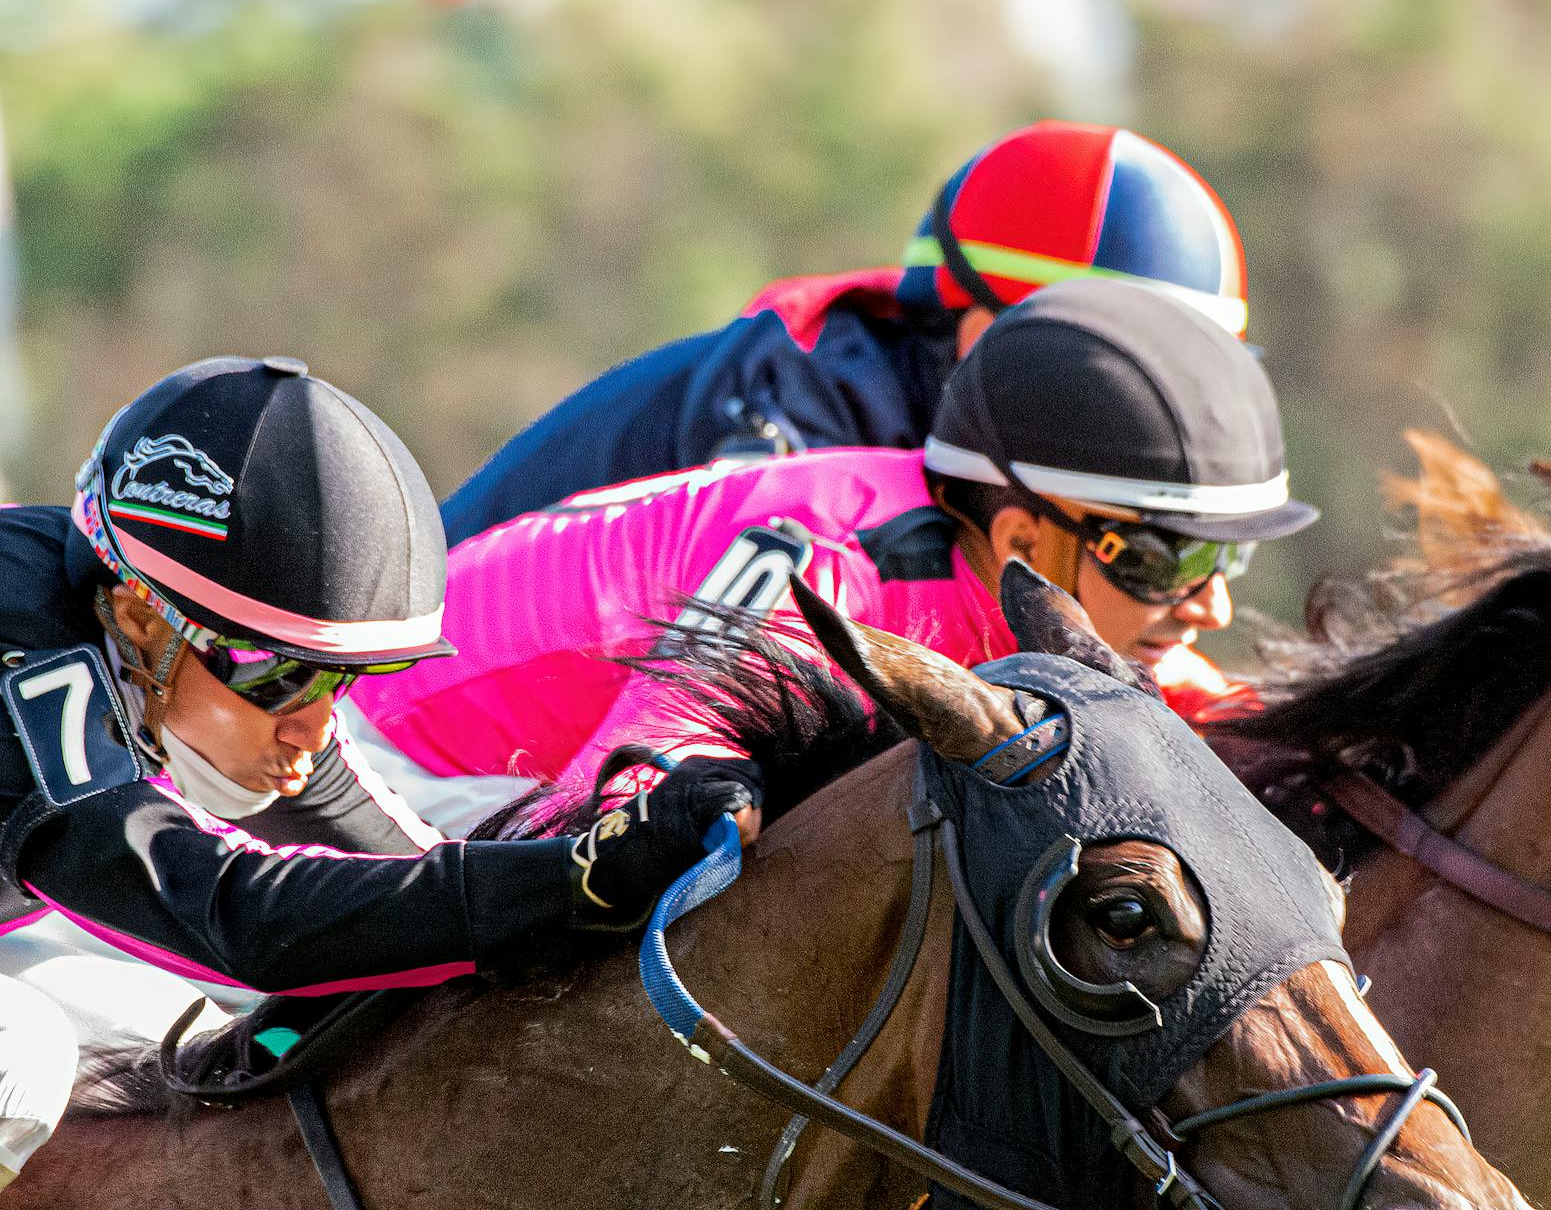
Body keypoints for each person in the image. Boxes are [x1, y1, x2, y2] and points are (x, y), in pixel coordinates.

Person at [0, 358, 753, 1185]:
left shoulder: (148, 638)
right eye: (278, 673)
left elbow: (412, 873)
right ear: (145, 614)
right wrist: (577, 879)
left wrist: (587, 870)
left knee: (201, 1051)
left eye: (338, 681)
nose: (316, 723)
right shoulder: (28, 659)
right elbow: (235, 919)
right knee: (23, 1065)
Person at [350, 279, 1314, 827]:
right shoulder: (835, 567)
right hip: (395, 759)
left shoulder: (1031, 575)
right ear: (1025, 538)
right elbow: (618, 804)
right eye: (1169, 565)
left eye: (1223, 566)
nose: (1209, 609)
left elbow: (1216, 709)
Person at [438, 120, 1249, 545]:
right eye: (1127, 382)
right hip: (399, 729)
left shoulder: (934, 412)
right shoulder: (799, 423)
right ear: (978, 335)